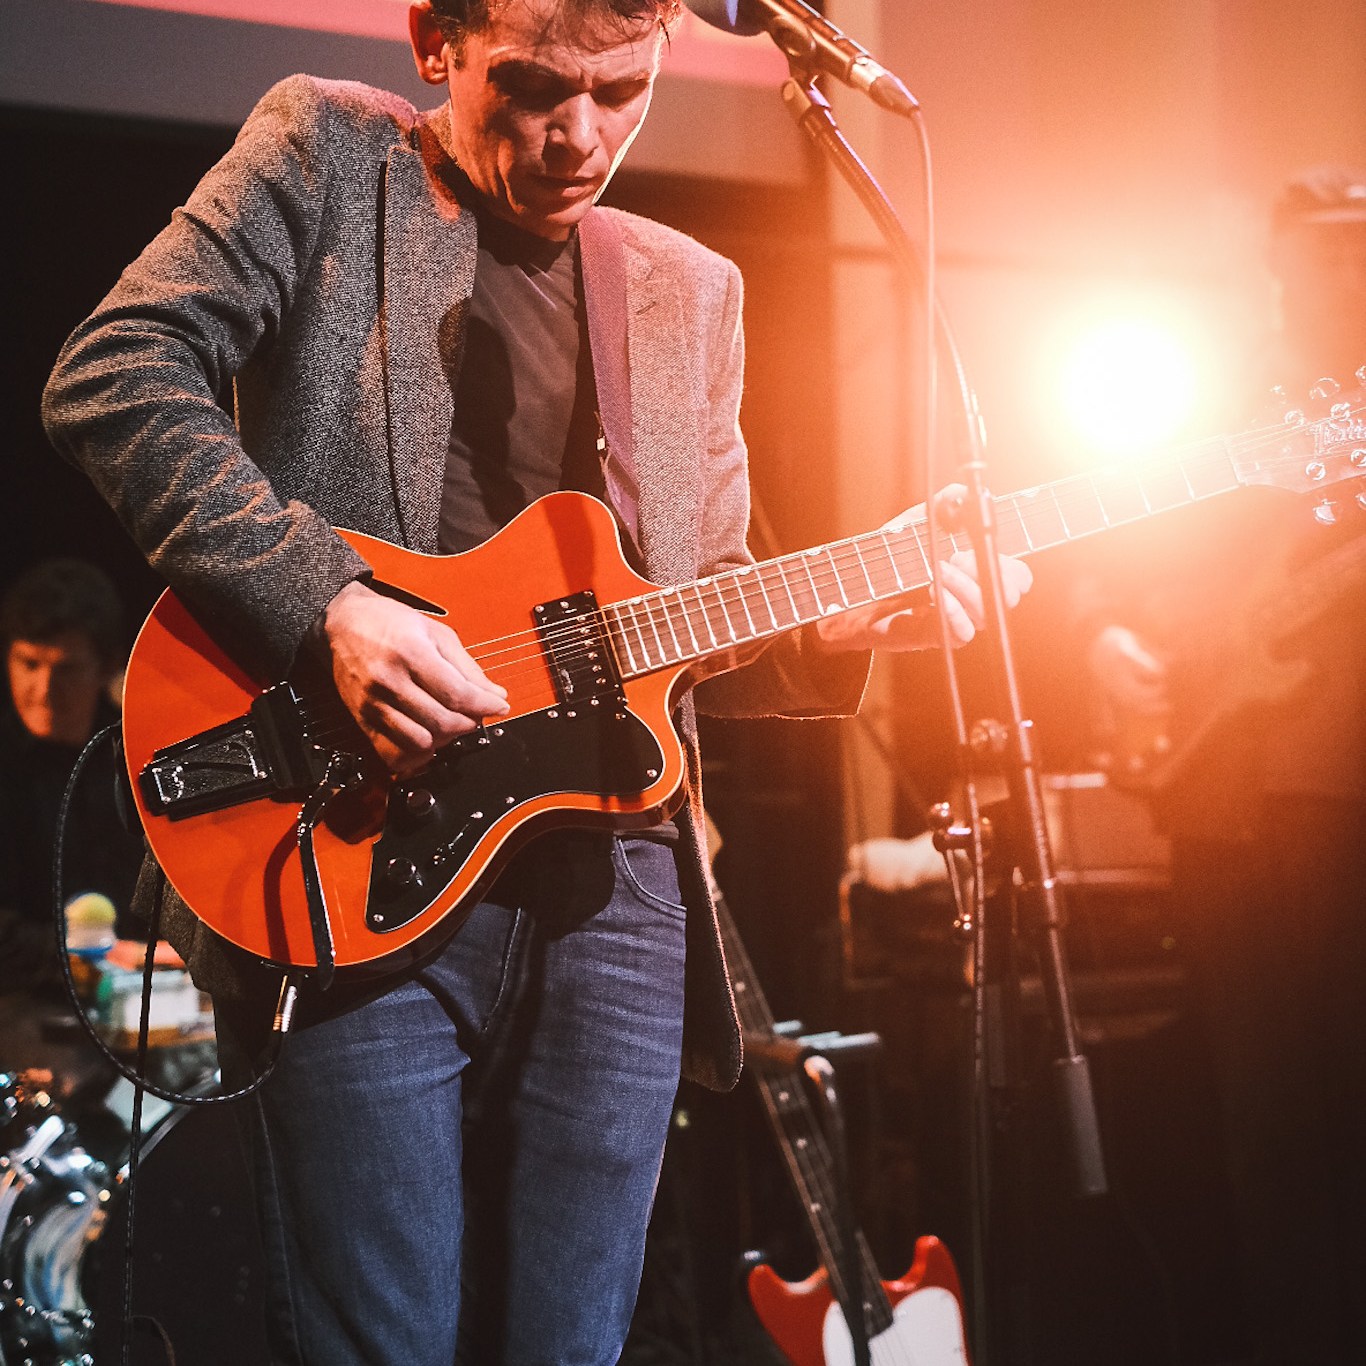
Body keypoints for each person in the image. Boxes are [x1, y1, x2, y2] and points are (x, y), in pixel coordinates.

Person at [40, 3, 1031, 1362]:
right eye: (533, 87)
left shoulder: (687, 287)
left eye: (621, 91)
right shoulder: (325, 155)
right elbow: (112, 373)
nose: (579, 135)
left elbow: (696, 614)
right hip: (353, 843)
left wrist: (842, 624)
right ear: (435, 41)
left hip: (615, 891)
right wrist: (324, 602)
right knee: (382, 1340)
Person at [1080, 168, 1366, 1365]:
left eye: (1354, 251)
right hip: (1228, 802)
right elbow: (1105, 554)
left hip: (1337, 801)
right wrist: (1104, 637)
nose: (1338, 273)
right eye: (1319, 251)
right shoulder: (1225, 404)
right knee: (1265, 1127)